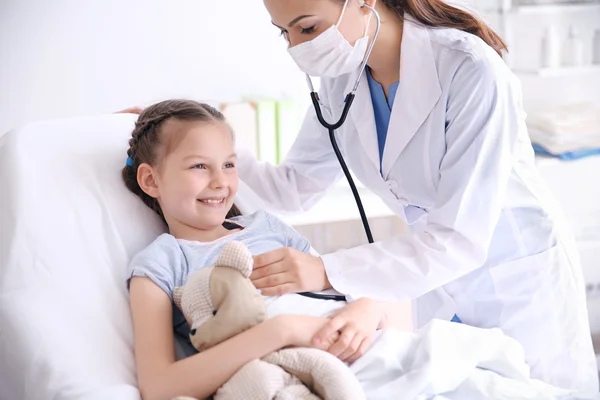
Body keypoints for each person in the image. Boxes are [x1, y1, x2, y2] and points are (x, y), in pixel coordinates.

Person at [228, 0, 598, 392]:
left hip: (517, 281)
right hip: (436, 283)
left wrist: (326, 270)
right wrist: (215, 146)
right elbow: (294, 188)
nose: (295, 49)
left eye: (307, 28)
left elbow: (459, 238)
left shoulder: (469, 68)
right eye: (284, 33)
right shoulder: (343, 81)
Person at [122, 99, 412, 400]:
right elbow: (159, 386)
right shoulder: (160, 264)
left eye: (229, 165)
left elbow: (334, 286)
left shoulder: (266, 226)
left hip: (369, 348)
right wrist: (282, 331)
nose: (221, 181)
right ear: (150, 179)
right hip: (300, 376)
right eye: (199, 166)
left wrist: (369, 305)